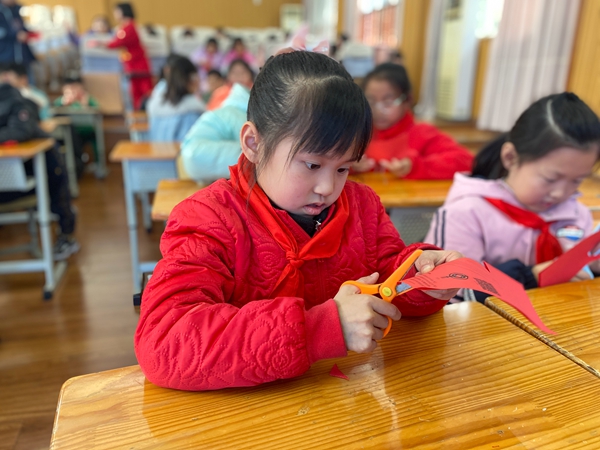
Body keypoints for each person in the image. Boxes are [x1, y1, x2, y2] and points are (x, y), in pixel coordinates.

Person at [135, 50, 463, 391]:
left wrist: (421, 277)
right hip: (252, 412)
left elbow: (389, 274)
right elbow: (165, 342)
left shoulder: (362, 205)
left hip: (343, 399)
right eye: (312, 165)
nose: (327, 188)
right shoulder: (208, 218)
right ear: (253, 143)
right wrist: (324, 328)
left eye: (343, 168)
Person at [425, 92, 600, 302]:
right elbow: (451, 297)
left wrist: (593, 268)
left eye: (577, 181)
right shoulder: (466, 213)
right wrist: (530, 277)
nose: (561, 193)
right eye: (550, 179)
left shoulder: (576, 213)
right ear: (510, 157)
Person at [0, 64, 79, 259]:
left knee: (56, 188)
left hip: (36, 173)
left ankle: (65, 232)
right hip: (19, 178)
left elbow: (21, 131)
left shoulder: (19, 101)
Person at [354, 63, 473, 179]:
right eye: (371, 101)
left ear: (407, 100)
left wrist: (416, 166)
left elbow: (466, 161)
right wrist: (348, 166)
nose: (378, 110)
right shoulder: (357, 133)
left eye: (388, 101)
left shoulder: (421, 133)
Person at [180, 82, 249, 183]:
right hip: (198, 154)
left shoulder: (230, 109)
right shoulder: (239, 114)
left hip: (191, 156)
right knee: (253, 155)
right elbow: (251, 145)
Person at [89, 3, 152, 110]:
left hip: (137, 65)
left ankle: (142, 114)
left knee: (143, 92)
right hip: (132, 65)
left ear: (123, 12)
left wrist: (100, 43)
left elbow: (117, 43)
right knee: (136, 93)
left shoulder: (129, 27)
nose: (115, 14)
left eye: (116, 11)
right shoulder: (125, 26)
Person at [146, 56, 205, 142]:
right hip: (179, 150)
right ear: (192, 79)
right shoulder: (191, 113)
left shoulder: (157, 103)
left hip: (157, 149)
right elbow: (191, 146)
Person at [0, 0, 36, 70]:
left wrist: (27, 33)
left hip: (22, 56)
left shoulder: (15, 10)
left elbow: (20, 27)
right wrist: (15, 35)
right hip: (5, 57)